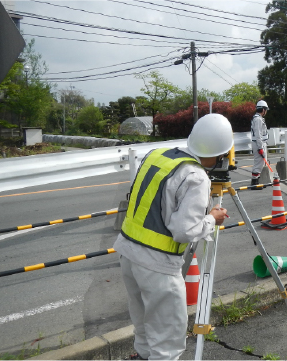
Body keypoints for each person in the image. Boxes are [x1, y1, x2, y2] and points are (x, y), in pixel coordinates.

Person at [113, 114, 232, 360]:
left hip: (128, 252)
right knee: (167, 342)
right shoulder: (196, 176)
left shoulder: (157, 155)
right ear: (221, 153)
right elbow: (184, 231)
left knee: (144, 328)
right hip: (157, 265)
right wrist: (212, 219)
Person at [250, 100, 269, 188]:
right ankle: (254, 182)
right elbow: (258, 134)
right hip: (258, 143)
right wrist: (260, 147)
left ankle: (258, 180)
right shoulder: (258, 119)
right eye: (266, 110)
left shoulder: (258, 118)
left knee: (261, 163)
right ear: (263, 109)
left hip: (259, 143)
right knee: (259, 163)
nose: (266, 112)